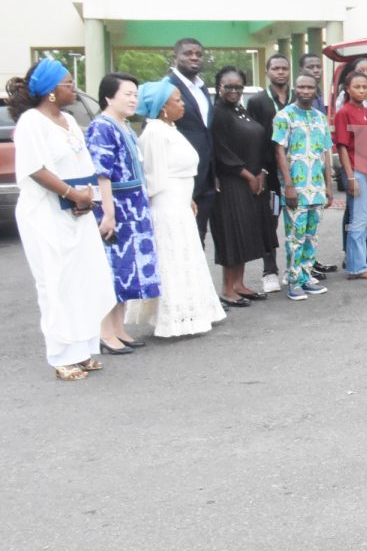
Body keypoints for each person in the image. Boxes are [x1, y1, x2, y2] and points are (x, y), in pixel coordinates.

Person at [11, 59, 117, 378]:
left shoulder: (69, 120)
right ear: (50, 91)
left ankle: (82, 351)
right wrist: (73, 195)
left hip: (77, 211)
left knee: (82, 279)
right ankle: (61, 357)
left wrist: (87, 198)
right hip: (45, 215)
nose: (74, 88)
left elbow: (83, 166)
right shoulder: (31, 122)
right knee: (55, 282)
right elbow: (36, 169)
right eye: (68, 83)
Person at [131, 80, 228, 338]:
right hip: (167, 206)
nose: (183, 104)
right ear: (163, 107)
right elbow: (152, 177)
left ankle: (195, 310)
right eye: (177, 100)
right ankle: (174, 317)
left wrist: (187, 198)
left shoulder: (170, 128)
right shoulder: (154, 132)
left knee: (187, 257)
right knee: (172, 260)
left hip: (181, 202)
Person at [85, 73, 158, 352]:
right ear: (108, 97)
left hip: (134, 205)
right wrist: (108, 212)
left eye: (135, 95)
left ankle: (118, 328)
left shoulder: (124, 125)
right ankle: (105, 332)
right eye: (127, 94)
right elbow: (101, 173)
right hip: (116, 204)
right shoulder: (101, 127)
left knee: (128, 270)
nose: (132, 99)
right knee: (112, 269)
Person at [209, 67, 277, 304]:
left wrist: (262, 172)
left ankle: (239, 284)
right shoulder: (218, 113)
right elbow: (221, 150)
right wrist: (248, 176)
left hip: (252, 180)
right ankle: (228, 289)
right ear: (219, 87)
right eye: (229, 86)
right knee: (232, 235)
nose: (234, 90)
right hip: (232, 182)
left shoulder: (240, 110)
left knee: (245, 234)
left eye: (238, 86)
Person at [272, 72, 335, 300]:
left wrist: (329, 186)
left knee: (311, 236)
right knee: (295, 237)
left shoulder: (320, 117)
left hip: (317, 188)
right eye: (301, 87)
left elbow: (326, 152)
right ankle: (293, 281)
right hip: (296, 188)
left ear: (316, 90)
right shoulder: (284, 116)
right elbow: (279, 151)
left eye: (310, 87)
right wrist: (288, 185)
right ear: (294, 89)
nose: (305, 91)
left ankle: (306, 277)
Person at [332, 69, 367, 279]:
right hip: (357, 171)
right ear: (348, 89)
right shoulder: (344, 113)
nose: (361, 90)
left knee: (363, 220)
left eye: (365, 87)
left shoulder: (366, 110)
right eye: (357, 87)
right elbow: (342, 146)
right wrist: (351, 177)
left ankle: (358, 263)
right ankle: (358, 267)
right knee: (358, 220)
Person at [246, 52, 291, 294]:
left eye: (284, 68)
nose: (281, 72)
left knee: (299, 221)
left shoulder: (298, 97)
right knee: (270, 221)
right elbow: (253, 139)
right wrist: (259, 169)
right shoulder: (258, 102)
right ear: (267, 72)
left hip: (298, 173)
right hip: (271, 174)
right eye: (276, 68)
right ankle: (269, 271)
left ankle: (296, 268)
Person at [166, 37, 217, 241]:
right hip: (180, 176)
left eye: (198, 54)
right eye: (188, 54)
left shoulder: (201, 88)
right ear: (175, 57)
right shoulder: (167, 87)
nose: (194, 58)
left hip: (205, 176)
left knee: (198, 236)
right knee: (181, 237)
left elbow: (205, 130)